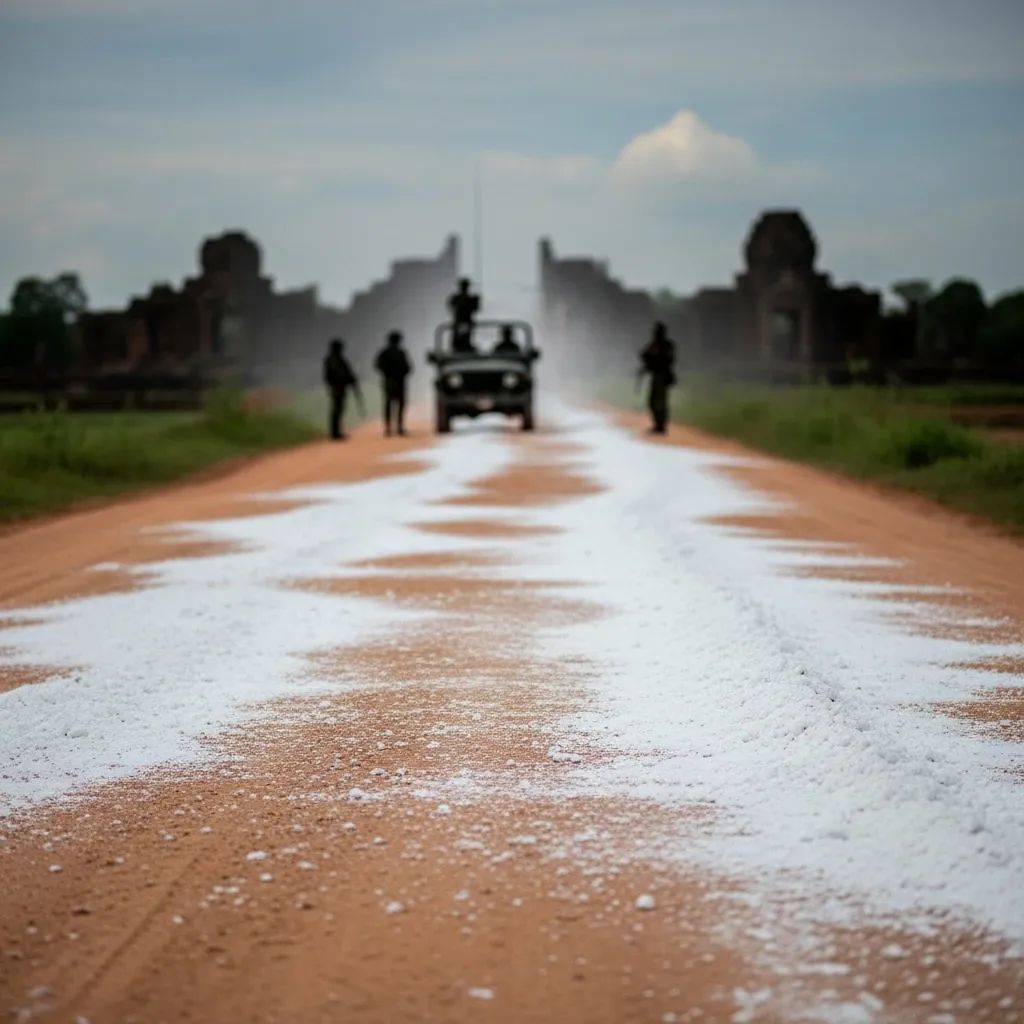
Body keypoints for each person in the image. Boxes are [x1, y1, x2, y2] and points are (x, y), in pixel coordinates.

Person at [638, 322, 676, 434]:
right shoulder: (654, 345)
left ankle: (661, 425)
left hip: (662, 376)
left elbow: (669, 360)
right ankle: (658, 424)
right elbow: (644, 355)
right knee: (653, 402)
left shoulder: (665, 346)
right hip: (657, 375)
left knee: (659, 401)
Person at [374, 330, 412, 437]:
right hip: (399, 382)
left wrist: (387, 374)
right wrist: (400, 374)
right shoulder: (401, 353)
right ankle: (399, 427)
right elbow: (408, 368)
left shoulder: (384, 353)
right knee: (400, 405)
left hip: (389, 381)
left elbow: (377, 366)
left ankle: (388, 428)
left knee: (388, 404)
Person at [322, 338, 361, 440]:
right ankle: (335, 433)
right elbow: (340, 373)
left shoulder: (337, 359)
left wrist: (352, 380)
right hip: (337, 386)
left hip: (339, 386)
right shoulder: (334, 359)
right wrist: (350, 380)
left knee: (339, 409)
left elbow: (347, 373)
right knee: (337, 409)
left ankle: (336, 432)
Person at [447, 277, 480, 353]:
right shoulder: (456, 298)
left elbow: (475, 308)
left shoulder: (469, 299)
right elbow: (453, 306)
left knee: (465, 337)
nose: (465, 288)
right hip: (460, 322)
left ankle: (464, 346)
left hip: (465, 322)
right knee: (458, 339)